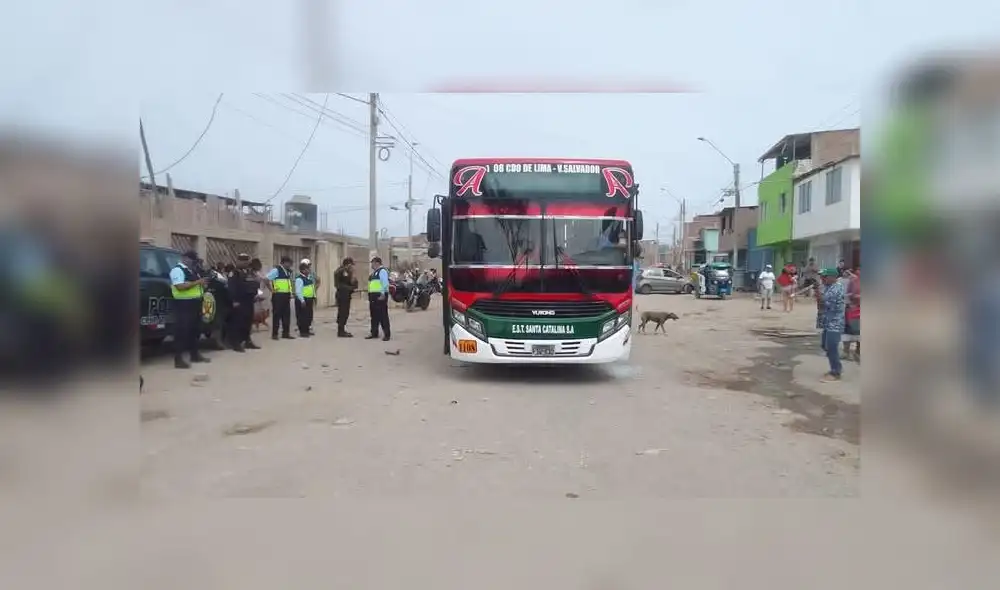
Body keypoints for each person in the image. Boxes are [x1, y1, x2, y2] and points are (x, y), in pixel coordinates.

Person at [169, 250, 211, 369]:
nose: (193, 262)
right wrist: (198, 282)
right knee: (182, 332)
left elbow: (196, 284)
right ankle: (178, 359)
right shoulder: (177, 270)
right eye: (192, 260)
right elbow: (179, 286)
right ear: (185, 258)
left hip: (195, 303)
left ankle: (195, 354)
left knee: (195, 330)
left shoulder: (192, 271)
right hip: (183, 304)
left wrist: (203, 284)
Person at [816, 268, 847, 382]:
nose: (822, 279)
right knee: (824, 345)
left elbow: (828, 306)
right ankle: (837, 366)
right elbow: (820, 306)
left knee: (832, 347)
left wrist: (819, 296)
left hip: (835, 322)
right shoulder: (827, 287)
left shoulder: (837, 289)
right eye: (822, 277)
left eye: (825, 277)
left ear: (833, 277)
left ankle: (835, 372)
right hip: (827, 322)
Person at [226, 253, 261, 352]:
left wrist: (256, 295)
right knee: (237, 322)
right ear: (238, 261)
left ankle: (247, 341)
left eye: (247, 261)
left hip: (249, 300)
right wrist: (234, 300)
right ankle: (235, 343)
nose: (246, 263)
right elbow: (231, 288)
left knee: (248, 321)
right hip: (239, 301)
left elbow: (254, 284)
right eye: (244, 261)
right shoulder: (234, 273)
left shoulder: (248, 272)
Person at [266, 256, 295, 340]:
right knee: (277, 315)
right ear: (284, 262)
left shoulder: (288, 271)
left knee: (286, 315)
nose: (290, 265)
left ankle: (286, 333)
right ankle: (274, 334)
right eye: (289, 263)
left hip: (286, 295)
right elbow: (266, 279)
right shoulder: (276, 270)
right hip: (278, 295)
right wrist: (271, 290)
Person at [366, 256, 391, 341]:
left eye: (372, 263)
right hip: (373, 297)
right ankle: (374, 332)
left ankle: (387, 334)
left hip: (380, 295)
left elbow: (385, 283)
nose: (371, 265)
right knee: (374, 316)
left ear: (377, 263)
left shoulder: (382, 271)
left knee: (383, 315)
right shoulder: (373, 273)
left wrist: (383, 294)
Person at [334, 257, 357, 337]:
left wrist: (353, 282)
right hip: (342, 295)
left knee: (345, 313)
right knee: (342, 313)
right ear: (347, 264)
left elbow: (354, 283)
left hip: (347, 295)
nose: (352, 267)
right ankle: (340, 331)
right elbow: (338, 285)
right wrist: (350, 288)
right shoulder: (340, 271)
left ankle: (342, 329)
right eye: (351, 265)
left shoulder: (348, 272)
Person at [842, 267, 861, 362]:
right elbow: (848, 294)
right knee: (848, 332)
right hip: (852, 309)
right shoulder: (852, 281)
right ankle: (846, 352)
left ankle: (858, 352)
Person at [294, 262, 316, 338]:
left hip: (309, 299)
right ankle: (302, 332)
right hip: (303, 300)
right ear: (303, 270)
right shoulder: (299, 279)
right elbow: (298, 291)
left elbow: (312, 288)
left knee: (308, 316)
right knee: (302, 317)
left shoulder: (309, 278)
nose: (309, 270)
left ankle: (306, 330)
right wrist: (302, 300)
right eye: (307, 269)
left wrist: (314, 297)